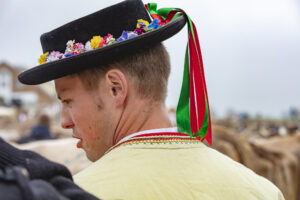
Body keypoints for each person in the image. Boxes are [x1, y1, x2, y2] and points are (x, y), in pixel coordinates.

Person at [18, 0, 285, 199]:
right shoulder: (261, 191)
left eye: (67, 102)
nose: (64, 122)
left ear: (115, 89)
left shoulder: (78, 193)